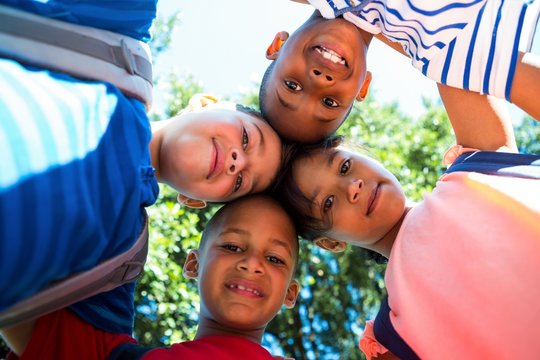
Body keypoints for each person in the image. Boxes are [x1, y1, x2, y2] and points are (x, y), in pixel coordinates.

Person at [0, 0, 283, 344]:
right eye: (245, 137)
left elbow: (72, 347)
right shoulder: (117, 41)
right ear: (205, 104)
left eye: (239, 182)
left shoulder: (121, 262)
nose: (239, 161)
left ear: (194, 200)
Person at [272, 96, 540, 358]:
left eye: (344, 167)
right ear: (329, 243)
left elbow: (450, 57)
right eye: (328, 202)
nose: (352, 188)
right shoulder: (392, 339)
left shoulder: (477, 165)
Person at [3, 194, 300, 360]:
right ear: (193, 265)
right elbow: (17, 307)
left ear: (290, 293)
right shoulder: (113, 355)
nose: (251, 264)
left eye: (274, 259)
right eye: (232, 246)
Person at [259, 0, 540, 143]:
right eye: (330, 103)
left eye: (292, 86)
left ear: (277, 45)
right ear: (363, 87)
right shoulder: (441, 51)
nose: (320, 82)